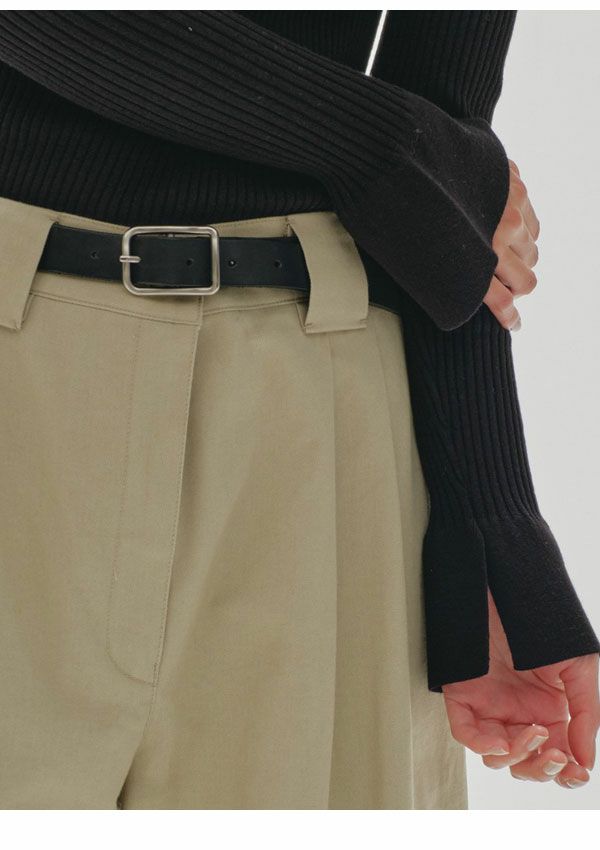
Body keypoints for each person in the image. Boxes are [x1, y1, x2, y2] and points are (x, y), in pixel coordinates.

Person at [0, 10, 598, 809]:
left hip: (319, 418)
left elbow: (446, 178)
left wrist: (490, 531)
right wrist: (391, 149)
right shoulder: (397, 148)